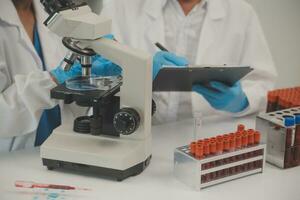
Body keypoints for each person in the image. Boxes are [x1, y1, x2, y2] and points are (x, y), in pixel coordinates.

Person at [101, 0, 278, 124]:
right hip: (135, 132)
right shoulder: (120, 5)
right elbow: (90, 72)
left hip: (207, 138)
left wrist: (242, 101)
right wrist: (136, 72)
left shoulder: (242, 13)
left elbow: (263, 83)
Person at [0, 0, 120, 151]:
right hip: (12, 160)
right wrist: (54, 79)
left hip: (62, 147)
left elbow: (68, 105)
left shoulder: (51, 14)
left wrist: (91, 77)